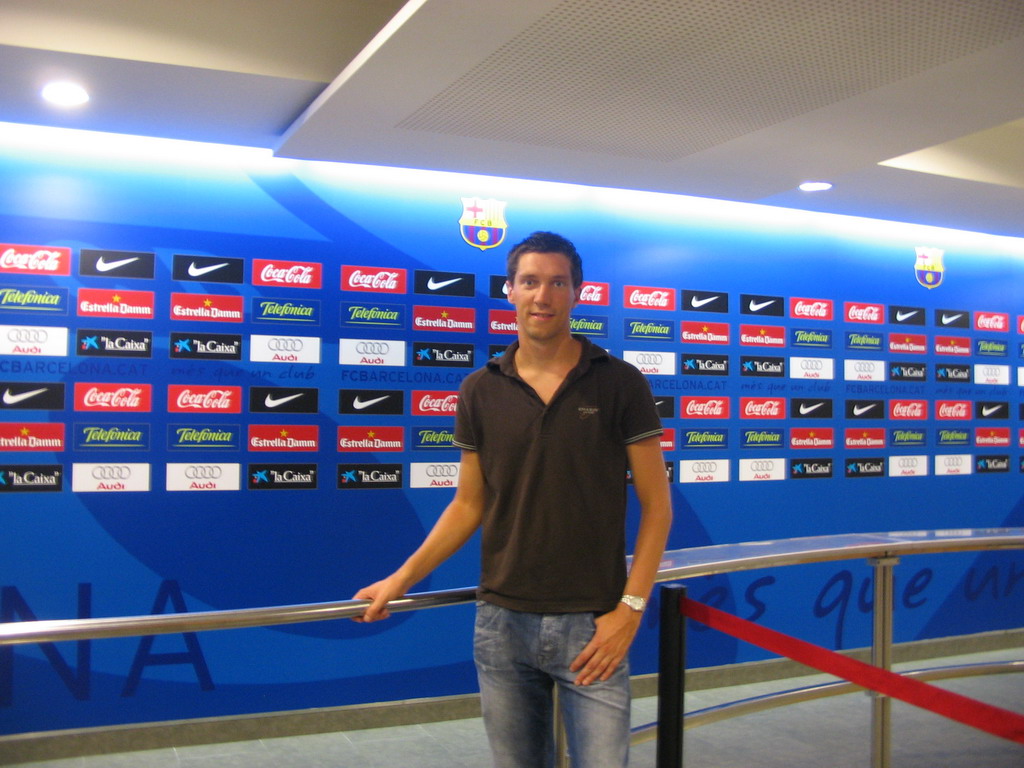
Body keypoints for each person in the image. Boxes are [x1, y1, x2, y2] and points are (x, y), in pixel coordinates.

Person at [354, 231, 672, 768]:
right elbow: (467, 505)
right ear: (510, 290)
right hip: (501, 624)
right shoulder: (480, 388)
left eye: (556, 283)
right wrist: (401, 579)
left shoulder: (620, 383)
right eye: (529, 282)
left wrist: (630, 610)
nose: (542, 296)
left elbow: (657, 508)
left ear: (578, 292)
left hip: (593, 624)